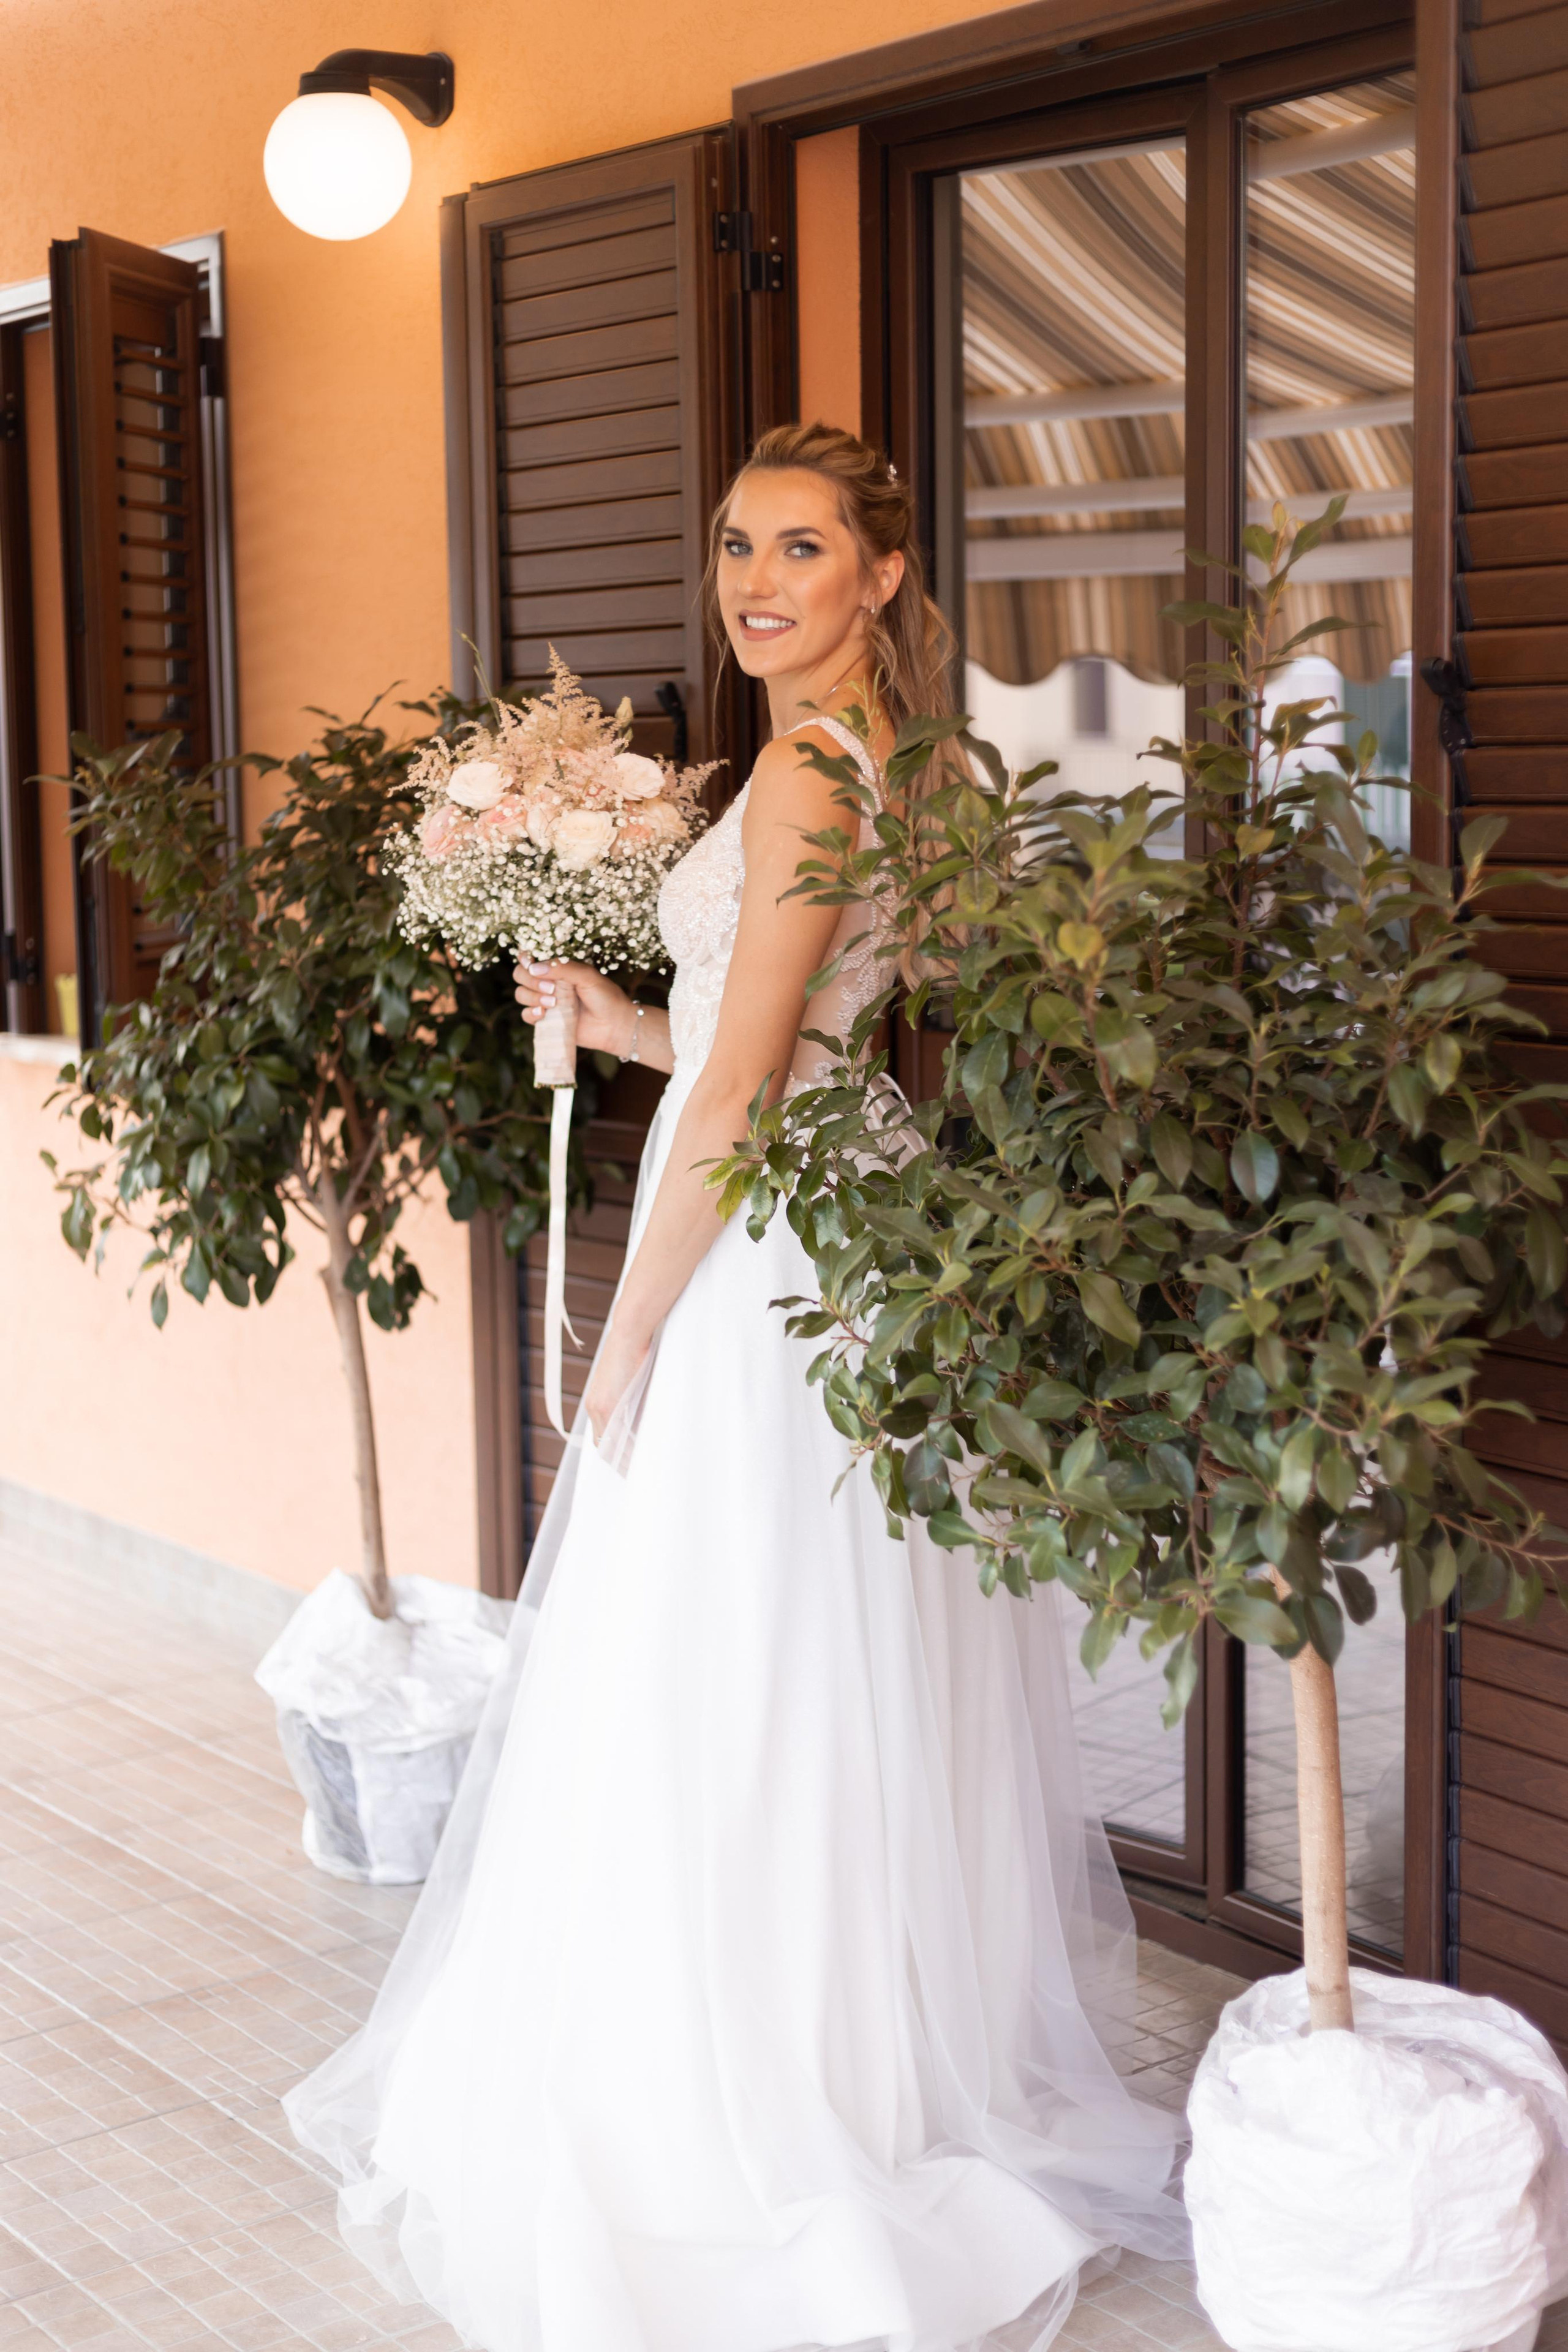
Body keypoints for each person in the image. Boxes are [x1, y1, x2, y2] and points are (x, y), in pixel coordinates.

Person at [284, 421, 1186, 2352]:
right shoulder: (904, 761)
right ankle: (860, 2065)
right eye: (736, 548)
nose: (756, 582)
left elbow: (751, 1093)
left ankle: (760, 2108)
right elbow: (779, 1038)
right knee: (823, 1663)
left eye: (802, 548)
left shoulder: (798, 776)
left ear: (878, 577)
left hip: (775, 1271)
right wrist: (618, 1016)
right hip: (857, 1243)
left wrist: (626, 1328)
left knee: (734, 1660)